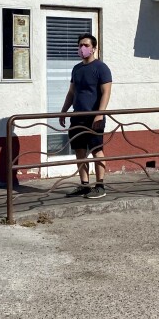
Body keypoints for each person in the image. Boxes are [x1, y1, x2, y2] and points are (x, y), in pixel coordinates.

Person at [59, 33, 112, 199]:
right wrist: (63, 111)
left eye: (87, 45)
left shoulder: (101, 68)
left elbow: (106, 92)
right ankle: (84, 185)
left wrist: (99, 114)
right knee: (79, 151)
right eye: (81, 45)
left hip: (94, 117)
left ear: (94, 48)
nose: (83, 48)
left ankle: (100, 185)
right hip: (78, 117)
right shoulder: (77, 69)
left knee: (97, 150)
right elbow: (71, 92)